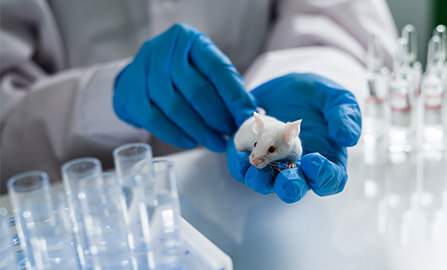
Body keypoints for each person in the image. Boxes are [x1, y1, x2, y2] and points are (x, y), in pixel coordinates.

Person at [0, 0, 397, 201]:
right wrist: (105, 97)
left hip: (255, 210)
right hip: (83, 198)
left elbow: (338, 21)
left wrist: (310, 77)